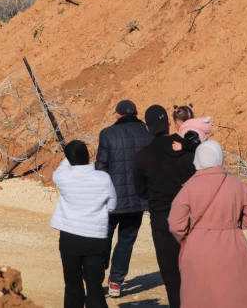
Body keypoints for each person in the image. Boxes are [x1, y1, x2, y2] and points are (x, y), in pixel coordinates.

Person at [168, 141, 247, 308]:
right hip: (233, 244)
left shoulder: (189, 187)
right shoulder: (237, 185)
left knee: (200, 296)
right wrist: (232, 225)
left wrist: (186, 238)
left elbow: (175, 223)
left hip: (198, 245)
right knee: (234, 295)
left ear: (197, 159)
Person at [134, 105, 197, 308]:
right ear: (169, 122)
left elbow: (141, 191)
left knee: (171, 273)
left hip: (162, 219)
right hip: (191, 215)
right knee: (196, 270)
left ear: (147, 127)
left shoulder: (144, 156)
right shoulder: (189, 147)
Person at [95, 99, 153, 298]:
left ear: (118, 114)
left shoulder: (108, 134)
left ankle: (96, 279)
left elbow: (101, 168)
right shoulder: (148, 134)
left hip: (111, 200)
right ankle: (115, 283)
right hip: (138, 199)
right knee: (126, 242)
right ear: (136, 113)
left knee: (104, 238)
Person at [51, 140, 116, 308]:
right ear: (88, 157)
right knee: (94, 285)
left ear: (68, 159)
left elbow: (63, 167)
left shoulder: (62, 177)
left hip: (70, 238)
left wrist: (69, 155)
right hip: (96, 238)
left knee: (72, 284)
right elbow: (112, 205)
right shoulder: (103, 178)